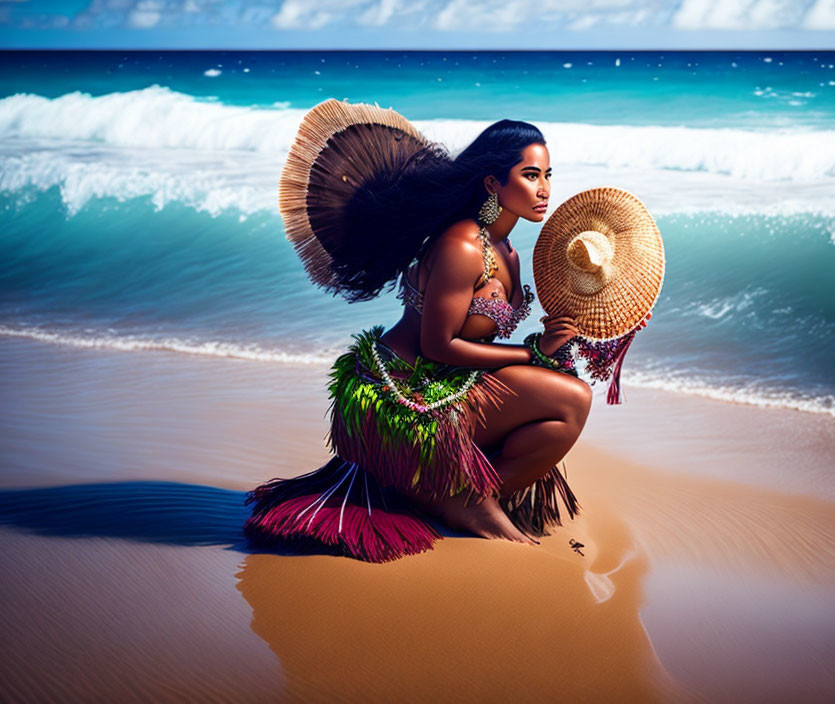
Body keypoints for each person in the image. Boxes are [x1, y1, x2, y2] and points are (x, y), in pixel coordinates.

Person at [244, 101, 649, 562]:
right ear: (494, 183)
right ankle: (459, 499)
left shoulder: (508, 251)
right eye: (531, 175)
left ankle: (457, 490)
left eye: (548, 175)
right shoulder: (462, 245)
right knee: (571, 398)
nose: (544, 189)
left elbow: (498, 346)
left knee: (568, 396)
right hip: (399, 395)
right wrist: (530, 353)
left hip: (448, 384)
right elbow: (438, 346)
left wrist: (590, 331)